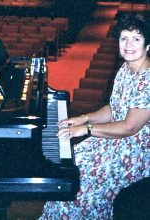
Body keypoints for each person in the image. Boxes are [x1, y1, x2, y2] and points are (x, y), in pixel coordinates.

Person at [38, 12, 150, 219]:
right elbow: (114, 108)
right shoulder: (126, 68)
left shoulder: (147, 80)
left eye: (136, 38)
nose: (128, 44)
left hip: (135, 152)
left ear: (147, 45)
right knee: (68, 166)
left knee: (79, 183)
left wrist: (86, 129)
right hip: (115, 140)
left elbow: (130, 127)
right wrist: (84, 118)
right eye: (124, 38)